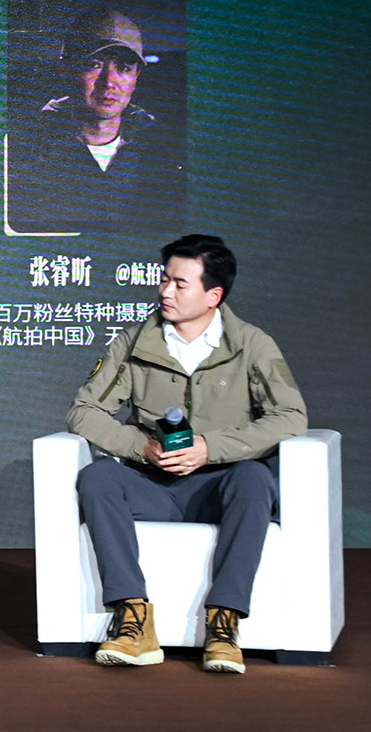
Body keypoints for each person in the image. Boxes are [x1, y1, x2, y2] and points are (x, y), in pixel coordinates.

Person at [67, 234, 306, 674]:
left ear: (213, 295)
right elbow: (84, 411)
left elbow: (290, 417)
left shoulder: (252, 344)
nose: (165, 291)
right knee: (98, 478)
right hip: (151, 483)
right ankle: (133, 618)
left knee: (255, 478)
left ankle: (224, 623)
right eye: (164, 279)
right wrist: (142, 447)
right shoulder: (134, 342)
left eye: (180, 284)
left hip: (220, 485)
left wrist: (211, 449)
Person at [6, 8, 185, 233]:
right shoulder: (25, 150)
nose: (108, 82)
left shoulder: (162, 152)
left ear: (136, 76)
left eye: (123, 68)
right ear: (66, 68)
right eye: (94, 65)